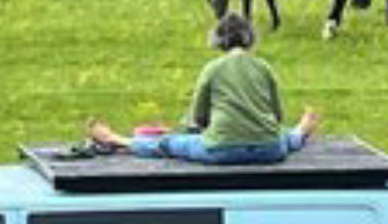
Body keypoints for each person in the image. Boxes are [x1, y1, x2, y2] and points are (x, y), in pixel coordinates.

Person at [88, 13, 320, 164]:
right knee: (284, 138)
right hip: (269, 150)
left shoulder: (213, 69)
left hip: (222, 150)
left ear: (218, 40)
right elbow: (276, 116)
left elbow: (198, 118)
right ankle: (300, 131)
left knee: (170, 145)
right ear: (250, 38)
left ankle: (118, 140)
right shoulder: (264, 68)